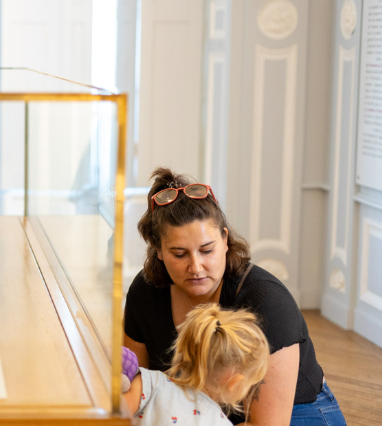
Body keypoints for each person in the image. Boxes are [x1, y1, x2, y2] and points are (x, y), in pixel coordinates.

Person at [124, 167, 346, 425]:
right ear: (159, 251)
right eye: (179, 254)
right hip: (199, 413)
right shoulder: (145, 291)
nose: (195, 267)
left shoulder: (267, 300)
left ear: (225, 239)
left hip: (297, 412)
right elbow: (139, 389)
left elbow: (267, 424)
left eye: (207, 250)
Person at [124, 304, 269, 425]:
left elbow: (114, 415)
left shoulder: (151, 383)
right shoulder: (220, 423)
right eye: (250, 385)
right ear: (234, 382)